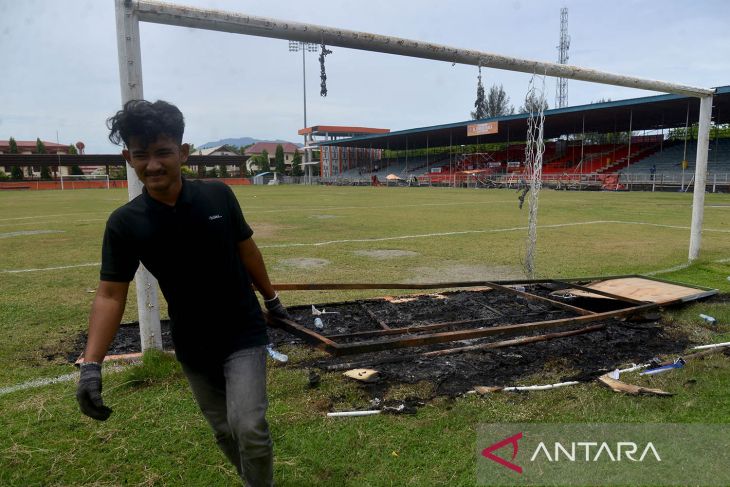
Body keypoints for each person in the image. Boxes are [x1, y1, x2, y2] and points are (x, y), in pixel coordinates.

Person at [75, 99, 287, 486]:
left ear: (183, 153)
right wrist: (92, 365)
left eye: (162, 153)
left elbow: (248, 250)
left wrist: (272, 299)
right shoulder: (125, 223)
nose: (152, 165)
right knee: (225, 432)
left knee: (249, 426)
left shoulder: (218, 196)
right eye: (141, 155)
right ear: (128, 157)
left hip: (243, 331)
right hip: (192, 342)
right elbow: (109, 294)